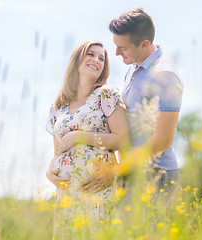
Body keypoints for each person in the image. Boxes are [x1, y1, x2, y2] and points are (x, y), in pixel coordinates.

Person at [81, 8, 183, 207]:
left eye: (123, 48)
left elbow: (162, 140)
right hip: (131, 172)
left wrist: (115, 172)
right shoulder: (133, 69)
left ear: (144, 44)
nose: (117, 53)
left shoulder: (165, 76)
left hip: (155, 176)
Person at [45, 40, 130, 239]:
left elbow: (123, 139)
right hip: (67, 194)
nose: (96, 60)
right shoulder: (58, 105)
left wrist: (80, 137)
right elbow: (57, 153)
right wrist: (49, 173)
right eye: (90, 54)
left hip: (96, 188)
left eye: (101, 58)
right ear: (76, 61)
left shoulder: (106, 94)